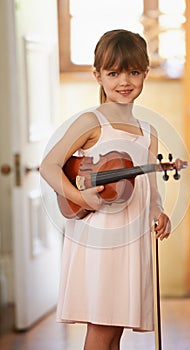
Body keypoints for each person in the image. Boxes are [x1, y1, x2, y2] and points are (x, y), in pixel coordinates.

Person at [40, 29, 172, 350]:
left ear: (145, 73)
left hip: (132, 239)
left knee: (114, 334)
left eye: (134, 72)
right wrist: (78, 197)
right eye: (113, 73)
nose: (124, 81)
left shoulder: (148, 131)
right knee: (101, 331)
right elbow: (49, 166)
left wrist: (158, 212)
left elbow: (149, 188)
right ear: (97, 75)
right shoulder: (91, 122)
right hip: (100, 239)